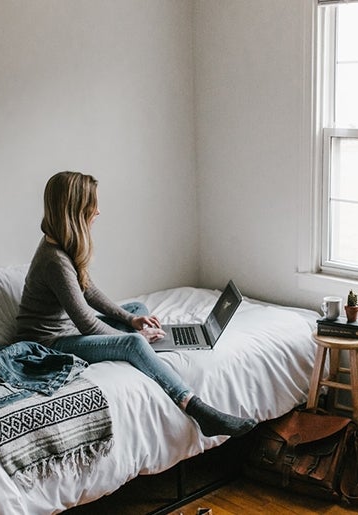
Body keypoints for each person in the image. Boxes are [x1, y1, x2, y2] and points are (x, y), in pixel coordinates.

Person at [14, 171, 257, 437]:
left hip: (68, 330)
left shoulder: (62, 245)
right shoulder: (55, 261)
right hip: (49, 344)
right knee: (133, 343)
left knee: (136, 310)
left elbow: (89, 291)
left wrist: (130, 321)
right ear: (76, 210)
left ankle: (143, 347)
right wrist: (133, 337)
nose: (98, 211)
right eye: (92, 205)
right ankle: (197, 409)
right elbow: (85, 322)